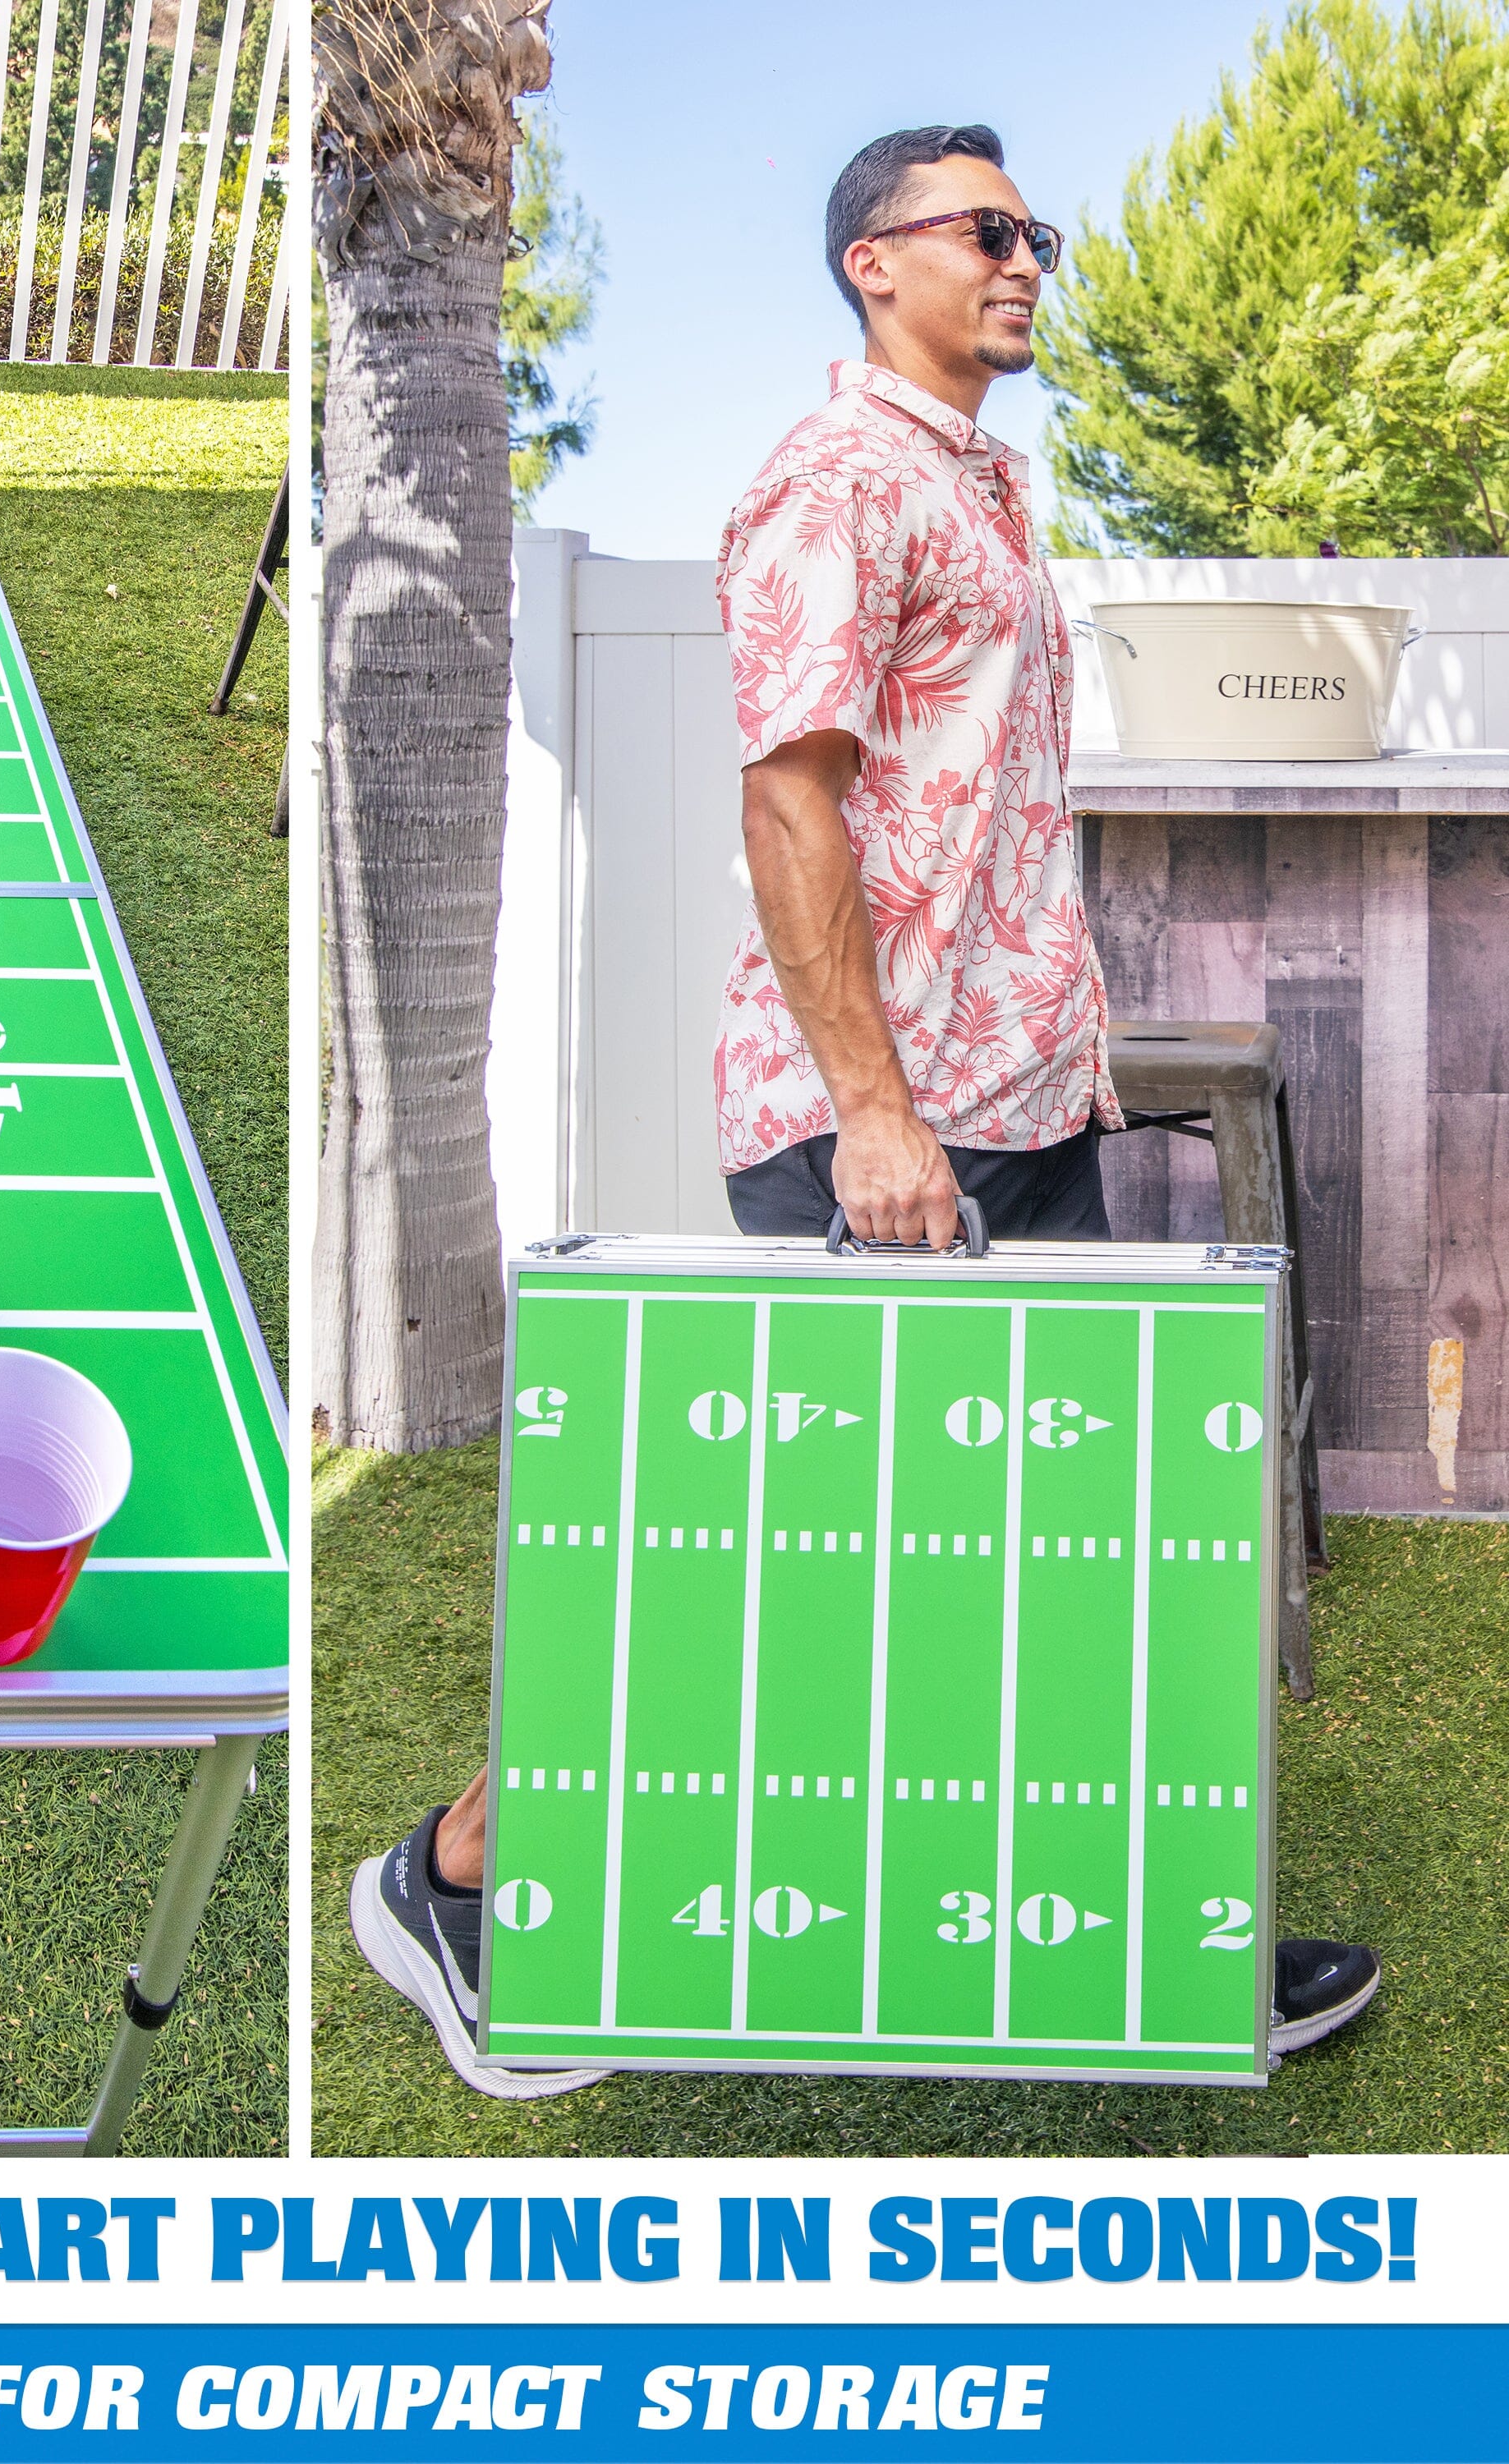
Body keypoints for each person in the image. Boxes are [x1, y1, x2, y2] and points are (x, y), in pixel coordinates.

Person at [352, 123, 1380, 2100]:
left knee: (1062, 1538)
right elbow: (787, 799)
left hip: (1015, 1099)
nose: (1025, 262)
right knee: (770, 1561)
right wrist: (877, 1118)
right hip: (894, 1131)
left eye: (1036, 234)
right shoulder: (833, 483)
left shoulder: (980, 486)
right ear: (871, 263)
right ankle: (458, 1878)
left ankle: (1168, 1946)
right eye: (985, 231)